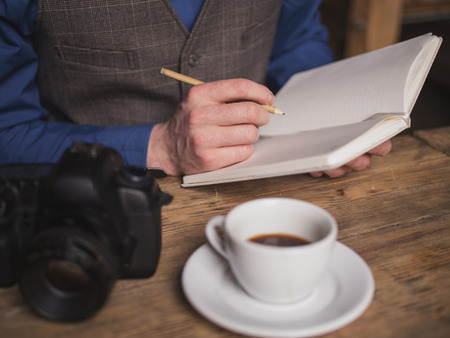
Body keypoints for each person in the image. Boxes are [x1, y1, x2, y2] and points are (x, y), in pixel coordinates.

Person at [0, 0, 391, 178]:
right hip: (92, 210)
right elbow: (6, 133)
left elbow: (296, 42)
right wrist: (160, 148)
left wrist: (327, 130)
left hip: (268, 195)